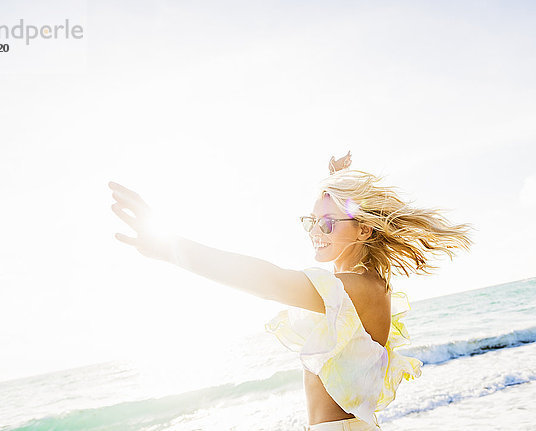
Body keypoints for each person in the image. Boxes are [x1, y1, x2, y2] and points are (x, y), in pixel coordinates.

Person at [108, 152, 472, 430]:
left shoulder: (354, 288)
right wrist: (339, 184)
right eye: (312, 221)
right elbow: (353, 229)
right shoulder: (370, 282)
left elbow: (266, 280)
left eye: (327, 224)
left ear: (364, 231)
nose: (316, 231)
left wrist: (172, 249)